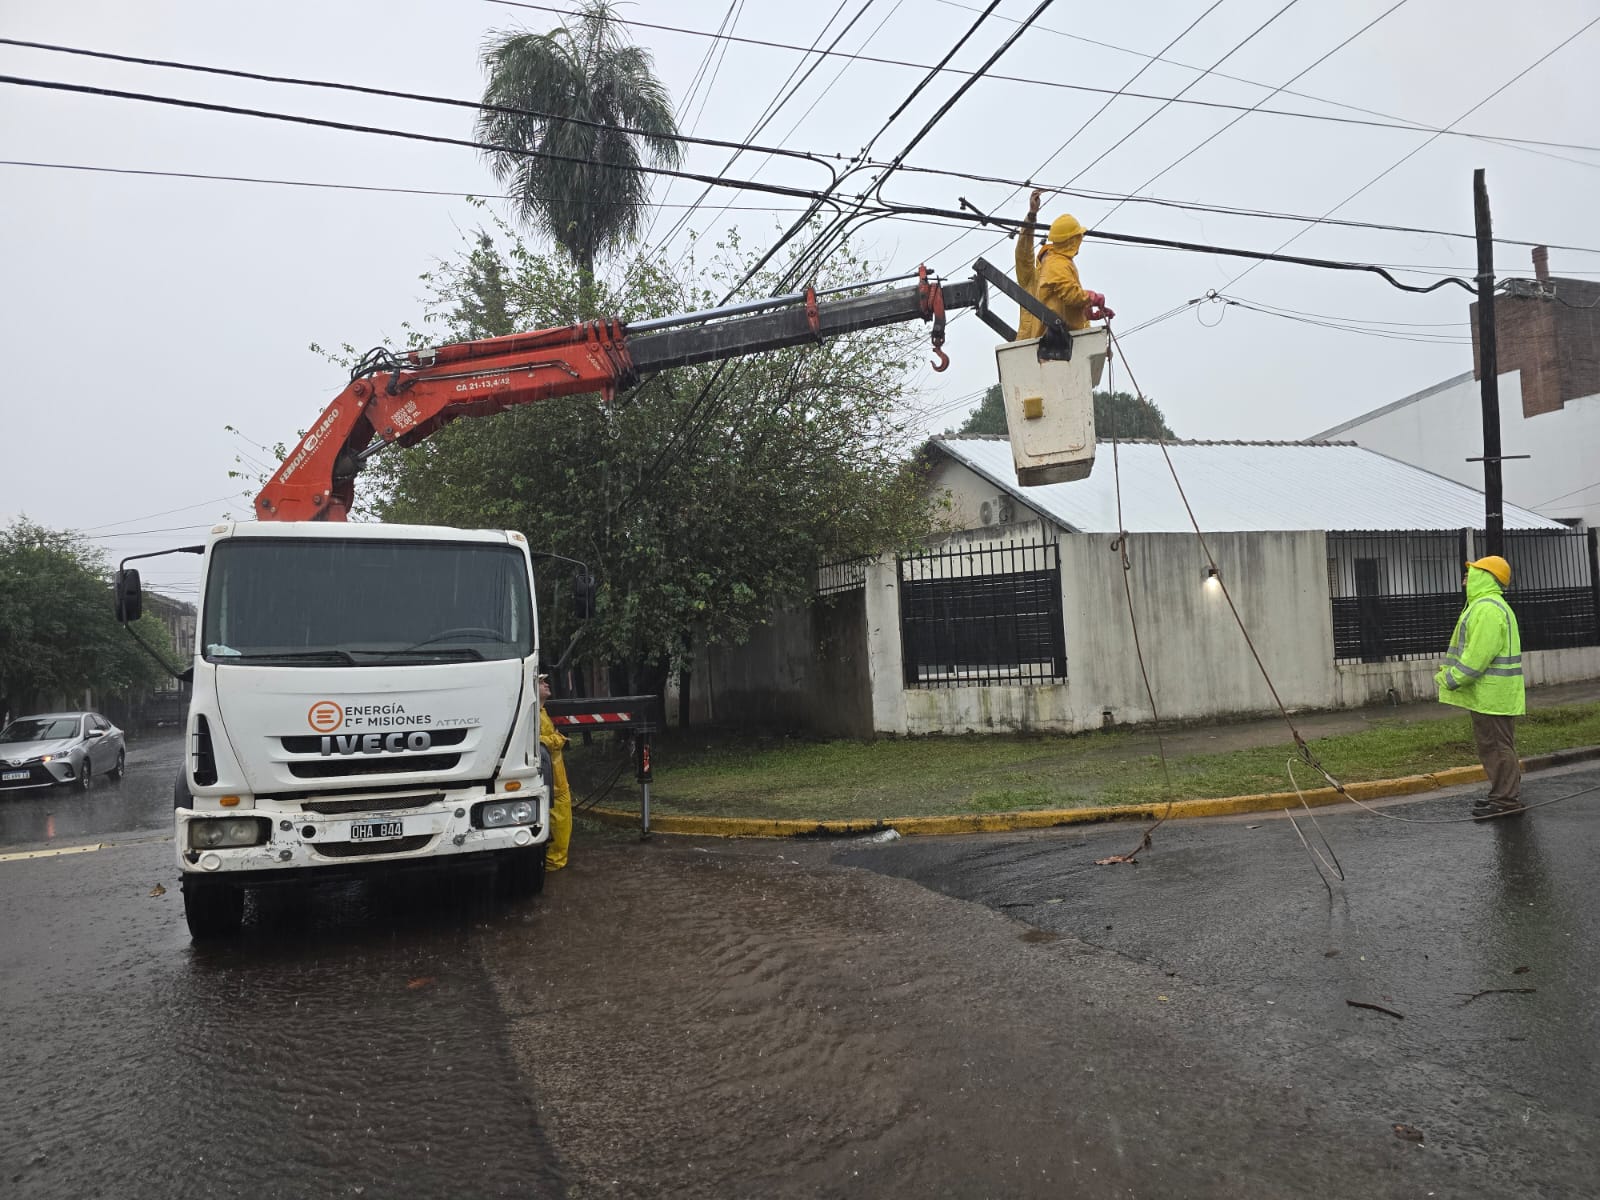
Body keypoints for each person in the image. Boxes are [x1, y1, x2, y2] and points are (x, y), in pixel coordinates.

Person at [1435, 555, 1525, 820]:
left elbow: (1476, 658)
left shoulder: (1486, 609)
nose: (1465, 578)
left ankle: (1506, 800)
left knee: (1497, 746)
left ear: (1486, 576)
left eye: (1472, 572)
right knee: (1495, 746)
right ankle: (1502, 795)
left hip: (1492, 695)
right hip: (1492, 694)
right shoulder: (1486, 606)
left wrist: (1449, 679)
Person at [1014, 190, 1112, 341]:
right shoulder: (1038, 275)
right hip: (1040, 346)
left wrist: (1087, 313)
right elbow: (1023, 252)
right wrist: (1031, 216)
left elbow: (1069, 309)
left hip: (1065, 346)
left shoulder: (1064, 268)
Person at [538, 673, 573, 869]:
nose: (546, 684)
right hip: (552, 781)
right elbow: (538, 741)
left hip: (557, 779)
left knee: (562, 823)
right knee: (559, 824)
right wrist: (557, 740)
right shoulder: (533, 713)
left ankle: (555, 861)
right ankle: (553, 864)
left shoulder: (541, 711)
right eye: (541, 682)